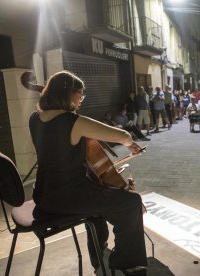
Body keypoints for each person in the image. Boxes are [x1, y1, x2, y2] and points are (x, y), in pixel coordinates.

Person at [28, 71, 148, 275]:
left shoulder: (35, 118)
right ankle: (124, 261)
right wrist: (130, 144)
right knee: (131, 202)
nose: (82, 99)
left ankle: (97, 251)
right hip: (69, 197)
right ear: (69, 93)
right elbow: (123, 135)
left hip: (43, 195)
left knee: (97, 201)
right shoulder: (72, 122)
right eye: (80, 94)